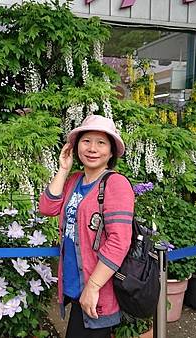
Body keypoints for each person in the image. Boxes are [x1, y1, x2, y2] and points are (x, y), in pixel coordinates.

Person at [39, 115, 135, 338]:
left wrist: (93, 287)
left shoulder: (116, 184)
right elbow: (47, 208)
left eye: (101, 143)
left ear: (111, 152)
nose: (92, 148)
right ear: (76, 146)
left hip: (97, 291)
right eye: (86, 141)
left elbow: (119, 241)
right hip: (75, 285)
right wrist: (63, 169)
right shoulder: (74, 180)